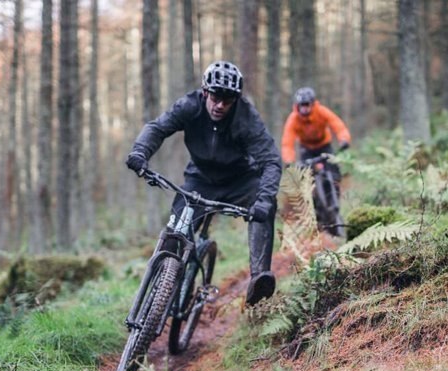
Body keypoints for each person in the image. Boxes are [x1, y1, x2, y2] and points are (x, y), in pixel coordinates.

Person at [125, 61, 282, 306]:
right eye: (216, 97)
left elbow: (271, 160)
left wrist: (263, 199)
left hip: (240, 181)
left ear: (236, 100)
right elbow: (158, 128)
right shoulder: (189, 105)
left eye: (228, 100)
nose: (220, 105)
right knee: (174, 235)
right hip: (200, 179)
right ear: (205, 92)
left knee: (266, 208)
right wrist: (140, 152)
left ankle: (259, 277)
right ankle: (161, 289)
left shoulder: (246, 117)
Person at [280, 87, 351, 234]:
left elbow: (337, 124)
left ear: (313, 104)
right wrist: (289, 160)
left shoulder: (321, 111)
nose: (304, 109)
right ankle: (315, 212)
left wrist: (344, 139)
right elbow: (287, 142)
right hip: (306, 150)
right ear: (297, 106)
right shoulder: (293, 119)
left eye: (307, 105)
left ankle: (334, 199)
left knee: (334, 172)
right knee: (306, 180)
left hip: (324, 146)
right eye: (301, 106)